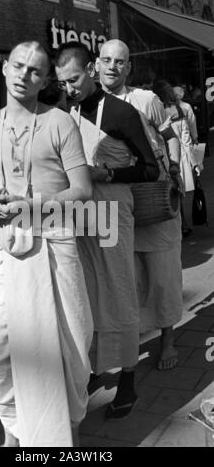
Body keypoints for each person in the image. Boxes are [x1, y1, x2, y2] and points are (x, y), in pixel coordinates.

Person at [0, 41, 93, 447]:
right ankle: (16, 430)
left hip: (56, 242)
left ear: (45, 80)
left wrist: (32, 205)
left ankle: (67, 429)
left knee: (71, 345)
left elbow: (82, 191)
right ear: (5, 68)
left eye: (36, 71)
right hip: (8, 246)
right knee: (0, 347)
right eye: (19, 66)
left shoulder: (60, 122)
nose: (25, 75)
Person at [55, 42, 159, 420]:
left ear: (92, 70)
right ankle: (97, 367)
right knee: (86, 292)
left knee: (118, 291)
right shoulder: (68, 110)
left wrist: (108, 173)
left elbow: (151, 169)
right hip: (81, 214)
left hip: (113, 212)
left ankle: (128, 380)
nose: (70, 88)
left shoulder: (121, 112)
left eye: (75, 79)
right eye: (63, 82)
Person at [96, 39, 183, 371]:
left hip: (152, 198)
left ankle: (168, 338)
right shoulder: (86, 106)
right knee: (122, 281)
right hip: (112, 206)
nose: (113, 66)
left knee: (162, 277)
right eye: (107, 60)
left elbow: (170, 136)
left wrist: (174, 170)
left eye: (120, 61)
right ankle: (122, 344)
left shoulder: (146, 100)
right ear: (97, 64)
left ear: (128, 67)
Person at [152, 80, 199, 237]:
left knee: (169, 193)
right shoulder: (183, 109)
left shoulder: (156, 113)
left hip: (163, 158)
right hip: (182, 158)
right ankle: (185, 223)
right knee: (182, 192)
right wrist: (196, 162)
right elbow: (189, 138)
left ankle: (177, 224)